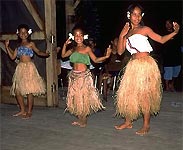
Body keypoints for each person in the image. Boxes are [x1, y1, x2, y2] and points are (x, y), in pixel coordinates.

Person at [114, 3, 180, 135]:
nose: (137, 17)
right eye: (134, 14)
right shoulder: (126, 33)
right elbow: (120, 52)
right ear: (129, 15)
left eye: (139, 14)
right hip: (133, 65)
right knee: (128, 94)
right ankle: (128, 122)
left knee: (144, 95)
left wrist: (174, 32)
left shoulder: (145, 29)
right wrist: (121, 36)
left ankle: (146, 125)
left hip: (145, 64)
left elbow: (161, 39)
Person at [61, 25, 111, 127]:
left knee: (82, 98)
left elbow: (96, 60)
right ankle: (80, 119)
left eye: (80, 35)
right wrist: (65, 45)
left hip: (83, 77)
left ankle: (83, 121)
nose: (78, 37)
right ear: (73, 37)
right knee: (76, 99)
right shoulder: (73, 48)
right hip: (74, 76)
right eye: (76, 35)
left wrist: (106, 56)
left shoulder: (87, 48)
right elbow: (63, 55)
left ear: (84, 36)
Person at [5, 24, 50, 119]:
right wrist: (7, 46)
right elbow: (13, 57)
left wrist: (45, 54)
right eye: (21, 33)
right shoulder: (18, 46)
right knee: (18, 91)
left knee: (29, 90)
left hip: (29, 68)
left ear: (28, 34)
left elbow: (38, 52)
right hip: (20, 68)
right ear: (18, 34)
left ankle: (29, 111)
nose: (23, 34)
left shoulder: (31, 44)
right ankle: (22, 110)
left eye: (25, 32)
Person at [161, 19, 182, 92]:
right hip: (167, 57)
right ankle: (167, 87)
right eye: (166, 24)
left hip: (177, 56)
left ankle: (171, 84)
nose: (168, 25)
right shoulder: (163, 33)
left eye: (169, 23)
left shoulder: (178, 33)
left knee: (176, 72)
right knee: (168, 73)